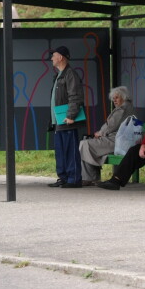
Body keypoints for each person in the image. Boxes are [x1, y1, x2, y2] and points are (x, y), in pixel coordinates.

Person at [79, 86, 134, 186]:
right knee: (87, 144)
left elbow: (111, 125)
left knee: (84, 144)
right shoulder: (128, 107)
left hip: (115, 141)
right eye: (113, 98)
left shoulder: (122, 108)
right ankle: (91, 177)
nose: (114, 100)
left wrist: (99, 133)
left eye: (116, 97)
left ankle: (89, 177)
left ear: (123, 97)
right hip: (118, 140)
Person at [46, 46, 85, 188]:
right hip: (58, 120)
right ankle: (63, 177)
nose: (51, 58)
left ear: (60, 57)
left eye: (53, 55)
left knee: (70, 149)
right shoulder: (59, 75)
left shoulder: (70, 74)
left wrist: (71, 115)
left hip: (67, 120)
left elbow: (75, 96)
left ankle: (74, 179)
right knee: (61, 150)